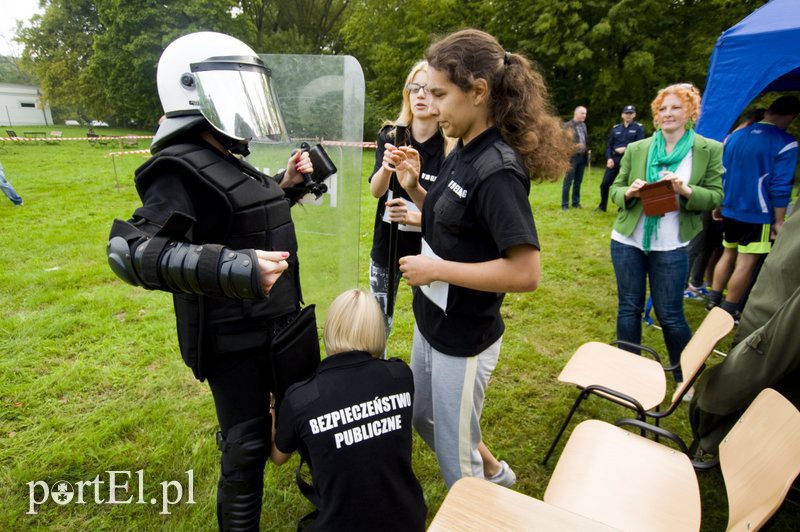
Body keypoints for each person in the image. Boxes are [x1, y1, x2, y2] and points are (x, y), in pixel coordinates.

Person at [106, 32, 317, 531]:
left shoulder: (226, 156)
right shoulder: (174, 170)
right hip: (234, 338)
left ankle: (339, 508)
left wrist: (284, 188)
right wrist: (234, 268)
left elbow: (237, 217)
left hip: (282, 326)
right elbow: (129, 250)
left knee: (310, 419)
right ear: (190, 92)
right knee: (245, 449)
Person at [394, 28, 574, 488]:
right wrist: (417, 188)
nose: (431, 106)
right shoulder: (463, 146)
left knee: (457, 465)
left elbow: (525, 271)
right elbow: (457, 213)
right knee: (421, 417)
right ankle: (495, 473)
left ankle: (480, 494)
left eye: (439, 94)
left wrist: (435, 269)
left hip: (464, 335)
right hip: (431, 318)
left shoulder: (498, 171)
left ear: (478, 91)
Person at [271, 289, 426, 531]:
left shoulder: (301, 398)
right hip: (408, 521)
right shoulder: (400, 375)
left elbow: (278, 458)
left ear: (330, 329)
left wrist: (272, 409)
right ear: (377, 331)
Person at [609, 83, 723, 384]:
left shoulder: (708, 150)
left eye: (676, 107)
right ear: (656, 115)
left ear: (690, 111)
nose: (668, 113)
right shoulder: (638, 148)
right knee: (629, 307)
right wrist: (630, 192)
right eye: (663, 108)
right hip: (628, 241)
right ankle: (627, 374)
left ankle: (684, 378)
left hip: (671, 244)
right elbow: (614, 190)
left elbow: (714, 196)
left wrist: (684, 189)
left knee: (670, 314)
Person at [368, 61, 447, 335]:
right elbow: (376, 191)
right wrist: (386, 168)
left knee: (428, 324)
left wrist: (414, 217)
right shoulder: (391, 135)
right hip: (386, 246)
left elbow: (447, 212)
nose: (420, 95)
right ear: (407, 95)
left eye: (427, 89)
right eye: (414, 88)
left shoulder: (450, 146)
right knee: (378, 325)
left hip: (428, 252)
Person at [706, 96, 800, 318]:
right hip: (758, 213)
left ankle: (714, 299)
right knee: (746, 262)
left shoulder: (734, 136)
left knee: (728, 253)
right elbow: (780, 186)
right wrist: (778, 220)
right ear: (791, 116)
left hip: (729, 207)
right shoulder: (786, 142)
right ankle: (729, 309)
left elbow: (721, 172)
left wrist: (719, 202)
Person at [596, 105, 644, 212]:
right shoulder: (616, 128)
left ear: (634, 115)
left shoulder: (638, 128)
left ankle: (623, 207)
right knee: (604, 184)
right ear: (622, 115)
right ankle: (602, 206)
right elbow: (609, 146)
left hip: (629, 161)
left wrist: (626, 149)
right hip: (615, 160)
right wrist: (609, 158)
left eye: (631, 113)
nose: (628, 115)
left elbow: (640, 146)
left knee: (627, 185)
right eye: (626, 113)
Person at [561, 105, 588, 210]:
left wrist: (587, 149)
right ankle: (565, 204)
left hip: (582, 157)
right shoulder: (567, 126)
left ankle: (576, 203)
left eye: (585, 113)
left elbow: (585, 140)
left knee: (578, 181)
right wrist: (574, 147)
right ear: (575, 113)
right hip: (571, 158)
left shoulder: (584, 125)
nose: (584, 115)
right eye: (582, 113)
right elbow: (562, 143)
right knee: (568, 181)